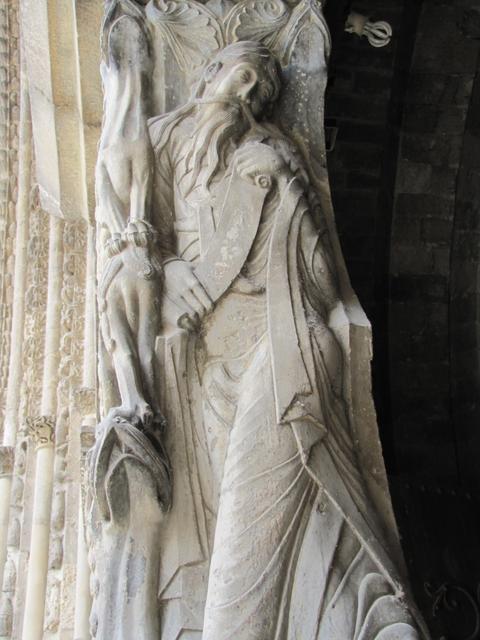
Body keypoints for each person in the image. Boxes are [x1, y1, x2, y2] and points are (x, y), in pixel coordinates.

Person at [149, 40, 426, 639]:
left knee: (239, 567)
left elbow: (323, 284)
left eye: (262, 92)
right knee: (280, 533)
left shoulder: (272, 154)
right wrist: (164, 270)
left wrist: (290, 196)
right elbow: (130, 240)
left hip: (284, 354)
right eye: (243, 77)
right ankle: (369, 615)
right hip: (211, 376)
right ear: (208, 73)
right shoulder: (164, 142)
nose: (249, 95)